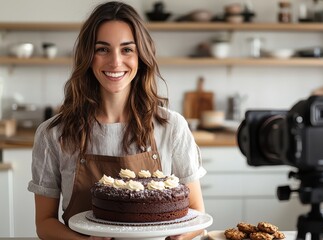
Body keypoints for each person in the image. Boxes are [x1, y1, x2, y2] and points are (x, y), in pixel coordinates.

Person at [27, 1, 206, 239]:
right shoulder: (53, 133)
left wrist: (180, 237)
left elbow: (196, 213)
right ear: (88, 56)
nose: (115, 62)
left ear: (141, 55)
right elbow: (45, 222)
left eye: (126, 49)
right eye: (102, 49)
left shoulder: (171, 127)